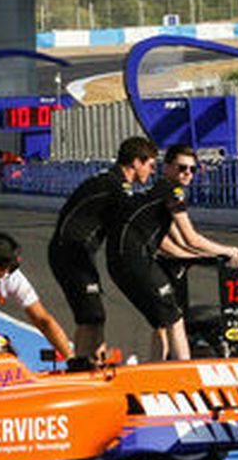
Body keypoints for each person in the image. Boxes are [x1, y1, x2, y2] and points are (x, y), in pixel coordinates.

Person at [106, 145, 238, 362]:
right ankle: (184, 371)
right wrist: (228, 251)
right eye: (182, 168)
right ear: (167, 168)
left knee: (161, 322)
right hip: (135, 260)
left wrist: (202, 257)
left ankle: (156, 371)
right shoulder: (172, 192)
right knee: (175, 318)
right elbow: (191, 238)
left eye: (192, 169)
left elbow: (177, 243)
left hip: (118, 262)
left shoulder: (157, 193)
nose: (187, 173)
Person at [48, 136, 157, 362]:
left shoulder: (110, 179)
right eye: (150, 165)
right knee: (91, 316)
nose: (152, 171)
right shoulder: (115, 184)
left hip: (76, 252)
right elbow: (135, 217)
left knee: (94, 316)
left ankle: (92, 361)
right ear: (136, 162)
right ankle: (81, 365)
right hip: (71, 252)